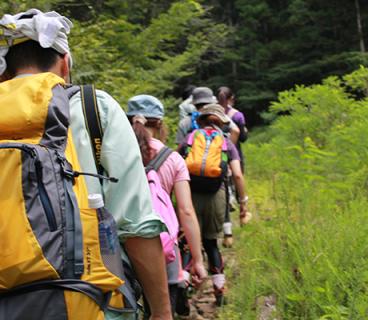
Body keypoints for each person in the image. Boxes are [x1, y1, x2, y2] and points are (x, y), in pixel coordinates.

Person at [0, 9, 172, 320]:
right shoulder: (94, 107)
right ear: (65, 63)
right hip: (91, 305)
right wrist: (161, 312)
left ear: (4, 70)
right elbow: (135, 223)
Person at [126, 95, 208, 316]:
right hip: (163, 248)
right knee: (162, 312)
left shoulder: (114, 154)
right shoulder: (173, 159)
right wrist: (198, 260)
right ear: (160, 123)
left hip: (122, 247)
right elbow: (186, 211)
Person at [178, 104, 249, 307]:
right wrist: (243, 203)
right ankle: (219, 292)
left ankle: (183, 287)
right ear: (221, 123)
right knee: (211, 244)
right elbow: (237, 175)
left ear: (201, 120)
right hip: (216, 196)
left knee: (186, 243)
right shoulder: (226, 142)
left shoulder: (190, 139)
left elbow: (173, 162)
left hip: (189, 196)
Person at [175, 86, 240, 146]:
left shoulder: (185, 122)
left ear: (194, 104)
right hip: (217, 157)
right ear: (211, 102)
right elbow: (236, 131)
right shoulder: (220, 117)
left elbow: (180, 145)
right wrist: (228, 151)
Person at [217, 86, 248, 171]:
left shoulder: (211, 114)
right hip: (233, 155)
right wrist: (245, 130)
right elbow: (242, 138)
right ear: (231, 98)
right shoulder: (237, 115)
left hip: (214, 154)